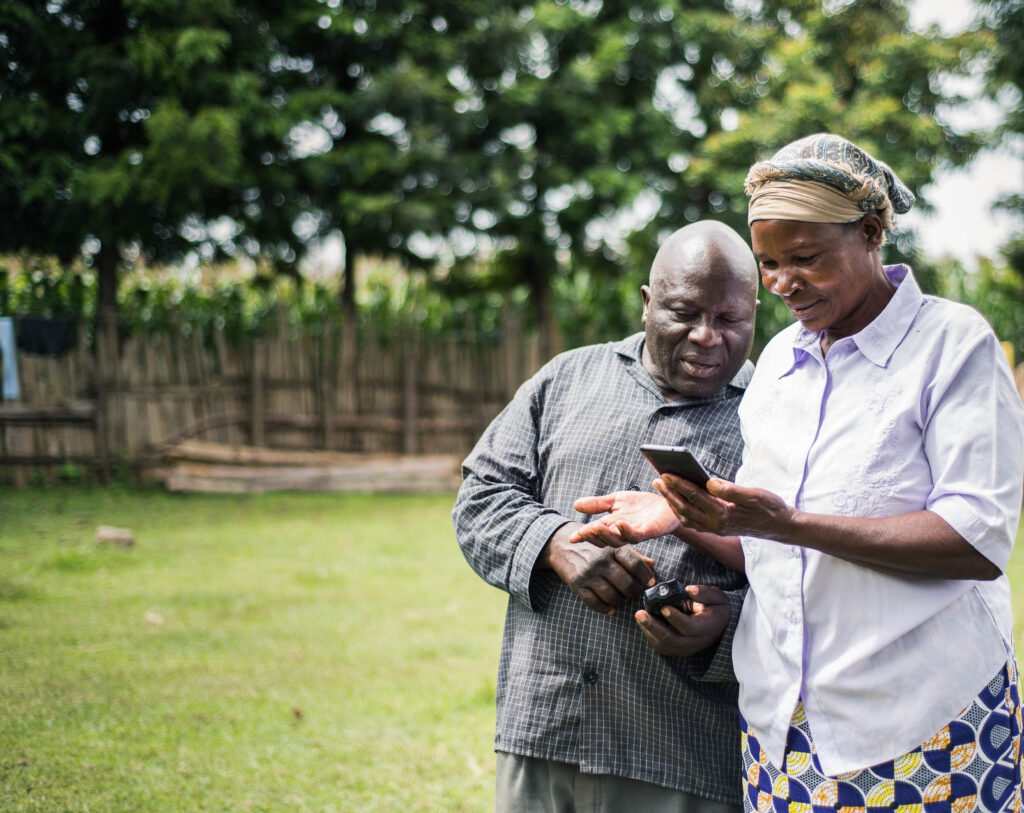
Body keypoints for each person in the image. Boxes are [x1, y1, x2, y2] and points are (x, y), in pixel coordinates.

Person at [572, 133, 1024, 812]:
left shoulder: (952, 346)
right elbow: (772, 550)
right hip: (784, 728)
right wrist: (691, 517)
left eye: (805, 258)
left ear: (871, 232)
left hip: (923, 717)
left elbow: (976, 540)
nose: (783, 283)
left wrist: (789, 523)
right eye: (769, 263)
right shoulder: (781, 360)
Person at [452, 220, 760, 812]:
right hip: (546, 730)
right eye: (684, 313)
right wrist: (555, 541)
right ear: (647, 305)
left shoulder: (776, 418)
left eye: (729, 320)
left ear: (754, 314)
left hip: (683, 752)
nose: (706, 337)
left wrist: (726, 625)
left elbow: (807, 576)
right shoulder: (567, 380)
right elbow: (480, 497)